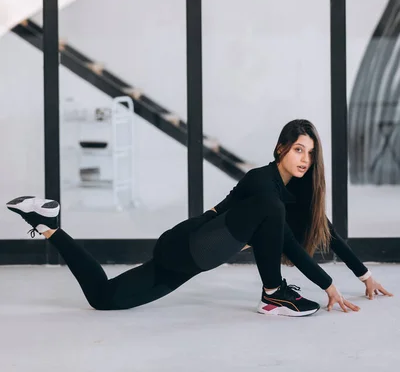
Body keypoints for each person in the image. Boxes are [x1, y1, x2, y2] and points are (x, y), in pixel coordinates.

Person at [6, 119, 393, 317]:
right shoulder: (263, 184)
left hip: (193, 258)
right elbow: (286, 240)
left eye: (310, 153)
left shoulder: (291, 193)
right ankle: (273, 295)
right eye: (297, 149)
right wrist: (326, 285)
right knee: (271, 212)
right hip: (191, 242)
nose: (305, 159)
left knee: (103, 299)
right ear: (280, 149)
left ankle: (48, 224)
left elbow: (327, 233)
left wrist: (365, 276)